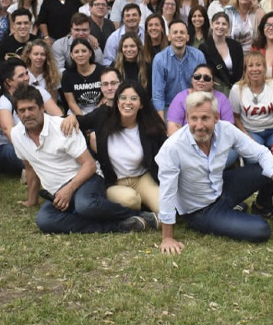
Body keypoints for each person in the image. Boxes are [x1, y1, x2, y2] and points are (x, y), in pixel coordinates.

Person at [156, 91, 273, 253]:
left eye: (205, 118)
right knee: (261, 230)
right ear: (187, 118)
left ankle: (263, 206)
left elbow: (260, 153)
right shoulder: (173, 147)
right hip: (201, 210)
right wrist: (167, 237)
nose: (199, 126)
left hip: (222, 186)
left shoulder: (226, 129)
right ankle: (231, 214)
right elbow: (167, 192)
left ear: (216, 117)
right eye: (193, 119)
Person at [11, 84, 157, 233]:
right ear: (16, 113)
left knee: (85, 205)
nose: (27, 114)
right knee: (45, 220)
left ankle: (140, 216)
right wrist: (32, 200)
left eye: (31, 108)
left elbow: (90, 165)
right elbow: (30, 167)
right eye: (22, 110)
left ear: (42, 108)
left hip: (86, 180)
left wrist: (68, 190)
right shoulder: (16, 135)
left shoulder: (62, 128)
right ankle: (121, 225)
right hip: (57, 193)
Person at [92, 81, 167, 213]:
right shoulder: (104, 118)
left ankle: (143, 205)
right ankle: (142, 213)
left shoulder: (149, 126)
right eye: (123, 98)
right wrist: (71, 119)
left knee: (164, 208)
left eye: (134, 98)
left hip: (142, 178)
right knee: (131, 200)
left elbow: (167, 150)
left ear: (141, 104)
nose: (128, 102)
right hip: (116, 182)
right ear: (117, 101)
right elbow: (80, 122)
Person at [151, 20, 206, 117]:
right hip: (169, 107)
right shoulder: (159, 59)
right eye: (175, 32)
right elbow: (158, 95)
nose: (179, 35)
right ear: (169, 37)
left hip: (193, 106)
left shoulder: (198, 56)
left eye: (182, 32)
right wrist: (161, 122)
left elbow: (204, 87)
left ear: (187, 37)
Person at [61, 38, 104, 116]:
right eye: (76, 52)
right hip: (78, 111)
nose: (80, 55)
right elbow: (71, 102)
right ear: (72, 55)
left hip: (101, 109)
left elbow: (107, 96)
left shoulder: (103, 71)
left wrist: (95, 116)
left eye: (84, 51)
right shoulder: (67, 75)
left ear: (90, 53)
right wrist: (84, 121)